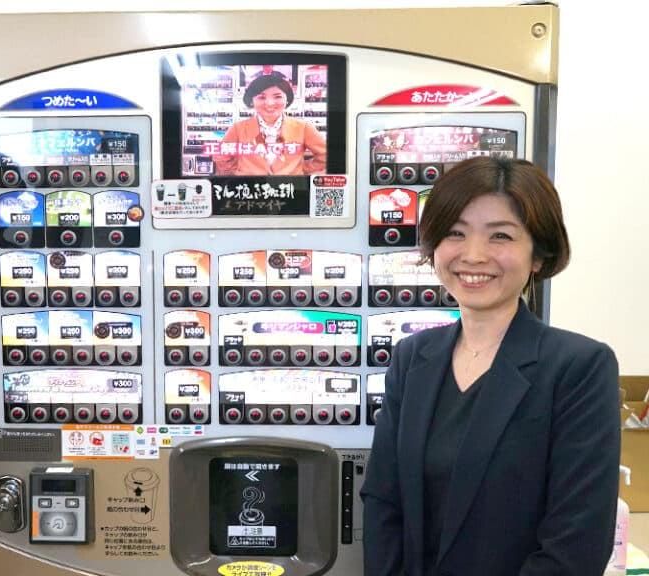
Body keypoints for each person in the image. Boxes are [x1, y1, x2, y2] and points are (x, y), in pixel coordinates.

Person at [361, 157, 620, 576]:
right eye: (455, 233)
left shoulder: (579, 368)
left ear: (538, 255)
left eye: (500, 235)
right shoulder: (412, 358)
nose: (474, 255)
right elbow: (383, 502)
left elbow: (578, 542)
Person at [213, 73, 327, 176]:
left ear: (287, 99)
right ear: (252, 101)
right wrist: (238, 173)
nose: (270, 103)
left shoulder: (304, 127)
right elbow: (221, 156)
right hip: (250, 189)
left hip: (290, 188)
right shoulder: (238, 128)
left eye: (277, 96)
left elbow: (325, 155)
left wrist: (301, 169)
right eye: (261, 97)